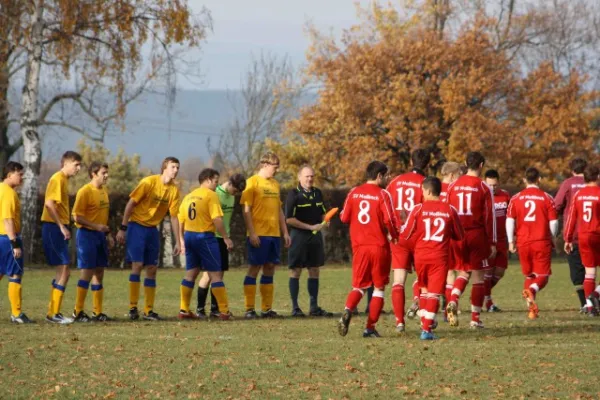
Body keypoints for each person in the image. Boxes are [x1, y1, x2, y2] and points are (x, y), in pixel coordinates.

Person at [338, 161, 399, 338]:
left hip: (359, 247)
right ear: (379, 176)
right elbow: (389, 220)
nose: (388, 179)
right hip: (379, 246)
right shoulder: (383, 194)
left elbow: (343, 217)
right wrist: (394, 235)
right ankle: (370, 328)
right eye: (386, 176)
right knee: (379, 288)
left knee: (359, 286)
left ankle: (348, 309)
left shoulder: (354, 192)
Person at [116, 157, 182, 321]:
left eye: (178, 167)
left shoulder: (174, 190)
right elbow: (130, 204)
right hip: (137, 226)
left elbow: (174, 217)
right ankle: (133, 308)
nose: (176, 170)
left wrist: (178, 241)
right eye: (173, 167)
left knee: (152, 268)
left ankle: (148, 311)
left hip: (152, 229)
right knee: (137, 265)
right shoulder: (149, 182)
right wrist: (123, 228)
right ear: (164, 167)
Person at [401, 176, 464, 340]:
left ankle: (424, 319)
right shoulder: (450, 209)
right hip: (439, 256)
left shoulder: (417, 209)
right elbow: (459, 235)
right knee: (434, 294)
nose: (421, 193)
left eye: (422, 190)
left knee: (424, 290)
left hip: (421, 256)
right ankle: (427, 329)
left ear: (428, 191)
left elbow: (405, 235)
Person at [445, 151, 496, 329]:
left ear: (465, 163)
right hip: (476, 235)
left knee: (463, 271)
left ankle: (453, 299)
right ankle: (475, 319)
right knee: (478, 276)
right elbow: (490, 218)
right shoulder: (483, 187)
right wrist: (492, 242)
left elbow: (447, 212)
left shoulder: (452, 186)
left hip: (456, 235)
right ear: (481, 165)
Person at [240, 152, 291, 319]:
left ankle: (266, 309)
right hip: (258, 234)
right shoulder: (251, 183)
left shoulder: (275, 184)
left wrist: (285, 232)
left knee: (270, 268)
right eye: (274, 168)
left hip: (274, 234)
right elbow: (246, 210)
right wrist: (252, 232)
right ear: (264, 165)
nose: (276, 171)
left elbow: (279, 210)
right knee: (254, 268)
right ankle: (249, 309)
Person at [178, 168, 233, 320]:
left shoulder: (189, 196)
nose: (216, 185)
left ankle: (183, 309)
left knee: (191, 273)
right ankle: (224, 311)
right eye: (215, 181)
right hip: (205, 237)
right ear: (208, 180)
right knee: (216, 274)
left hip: (189, 236)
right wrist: (226, 237)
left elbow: (180, 221)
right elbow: (217, 219)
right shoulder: (211, 195)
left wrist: (181, 240)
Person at [386, 149, 430, 333]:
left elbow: (386, 205)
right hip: (419, 237)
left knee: (398, 281)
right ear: (428, 164)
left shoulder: (395, 181)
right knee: (426, 281)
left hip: (398, 236)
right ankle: (425, 321)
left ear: (411, 161)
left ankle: (399, 322)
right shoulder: (426, 184)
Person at [506, 167, 558, 319]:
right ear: (539, 179)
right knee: (543, 275)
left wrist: (510, 241)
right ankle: (533, 290)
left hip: (523, 242)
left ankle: (531, 308)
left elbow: (509, 221)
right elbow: (554, 223)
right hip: (541, 241)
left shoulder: (516, 198)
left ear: (524, 180)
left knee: (529, 275)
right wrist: (553, 236)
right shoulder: (547, 197)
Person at [196, 173, 246, 318]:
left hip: (224, 239)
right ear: (230, 184)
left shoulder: (231, 196)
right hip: (212, 237)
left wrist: (227, 237)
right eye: (235, 191)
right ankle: (200, 309)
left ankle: (214, 309)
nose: (235, 194)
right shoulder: (215, 193)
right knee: (208, 275)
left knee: (219, 275)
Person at [285, 165, 332, 317]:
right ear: (299, 177)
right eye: (307, 176)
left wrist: (325, 219)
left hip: (315, 237)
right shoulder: (293, 194)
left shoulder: (317, 193)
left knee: (314, 269)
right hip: (299, 237)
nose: (310, 179)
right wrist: (309, 226)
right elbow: (289, 219)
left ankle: (314, 307)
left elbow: (322, 213)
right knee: (296, 270)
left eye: (312, 176)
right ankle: (295, 308)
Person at [42, 150, 82, 324]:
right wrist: (60, 226)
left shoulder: (63, 180)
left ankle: (53, 312)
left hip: (58, 227)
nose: (78, 169)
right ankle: (54, 314)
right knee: (65, 269)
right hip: (53, 228)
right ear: (66, 163)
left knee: (63, 270)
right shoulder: (57, 179)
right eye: (76, 165)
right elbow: (49, 204)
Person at [71, 162, 113, 322]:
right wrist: (96, 226)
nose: (106, 175)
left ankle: (97, 312)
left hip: (100, 236)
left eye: (107, 172)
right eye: (103, 172)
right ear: (93, 174)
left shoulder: (104, 191)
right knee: (87, 273)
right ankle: (78, 311)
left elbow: (104, 217)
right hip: (87, 235)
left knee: (99, 273)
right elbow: (76, 216)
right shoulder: (85, 191)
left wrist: (107, 234)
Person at [564, 165, 600, 315]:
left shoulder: (578, 194)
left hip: (583, 236)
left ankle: (590, 307)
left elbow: (572, 217)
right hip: (598, 234)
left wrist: (567, 238)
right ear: (597, 177)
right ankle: (595, 295)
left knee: (589, 273)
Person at [0, 162, 33, 323]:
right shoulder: (8, 193)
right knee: (15, 273)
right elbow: (7, 219)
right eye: (19, 174)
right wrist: (14, 243)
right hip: (7, 239)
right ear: (9, 174)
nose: (22, 177)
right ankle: (16, 314)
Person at [555, 157, 588, 312]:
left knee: (577, 271)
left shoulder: (568, 183)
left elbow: (557, 204)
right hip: (594, 232)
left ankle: (585, 303)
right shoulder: (594, 184)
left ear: (572, 170)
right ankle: (593, 299)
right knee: (591, 268)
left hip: (574, 233)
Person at [484, 169, 511, 312]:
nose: (492, 188)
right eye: (489, 185)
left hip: (502, 239)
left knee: (499, 272)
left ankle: (481, 294)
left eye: (494, 185)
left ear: (498, 183)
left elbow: (511, 216)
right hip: (488, 241)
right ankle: (488, 302)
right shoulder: (482, 195)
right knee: (487, 272)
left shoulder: (505, 195)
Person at [440, 161, 462, 316]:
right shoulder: (453, 190)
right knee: (453, 272)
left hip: (432, 237)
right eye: (459, 174)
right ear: (452, 175)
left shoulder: (431, 188)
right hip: (450, 235)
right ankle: (449, 306)